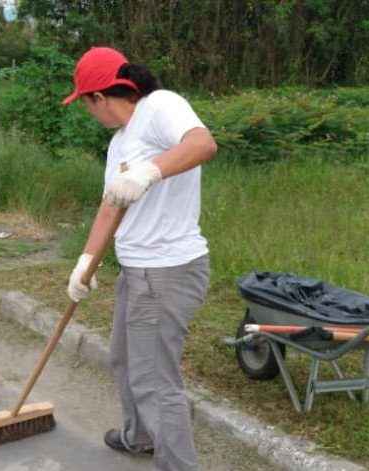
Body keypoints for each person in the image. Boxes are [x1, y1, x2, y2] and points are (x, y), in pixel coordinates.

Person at [64, 47, 217, 471]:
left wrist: (149, 172)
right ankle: (140, 437)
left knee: (154, 379)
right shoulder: (120, 143)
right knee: (124, 358)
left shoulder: (160, 106)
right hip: (136, 270)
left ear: (100, 96)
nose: (88, 112)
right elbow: (110, 205)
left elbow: (203, 144)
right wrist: (85, 260)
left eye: (85, 103)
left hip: (166, 270)